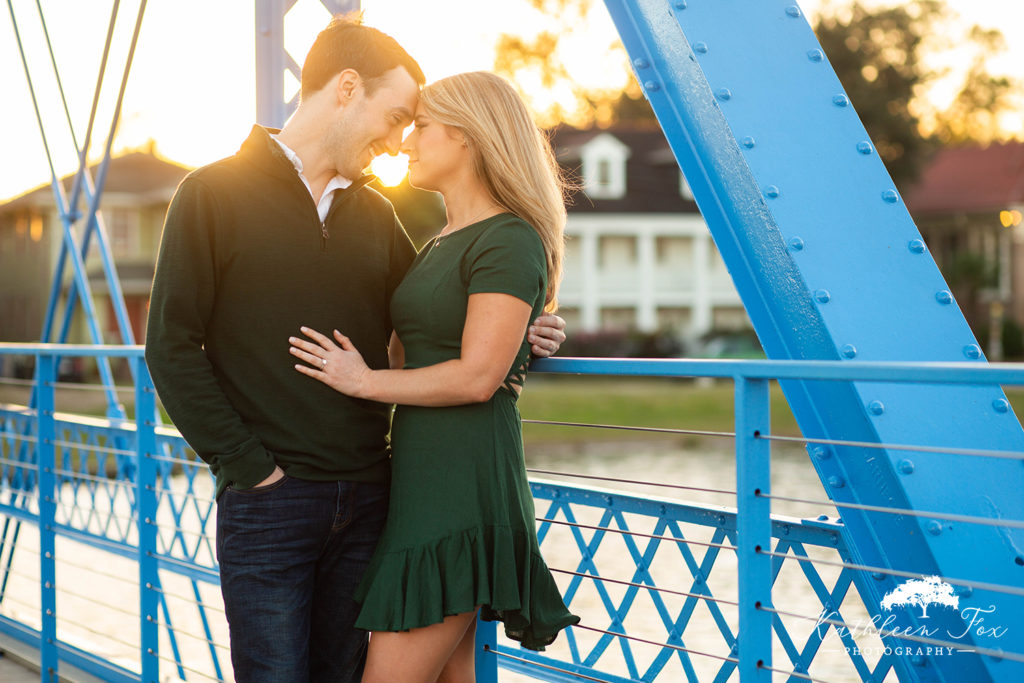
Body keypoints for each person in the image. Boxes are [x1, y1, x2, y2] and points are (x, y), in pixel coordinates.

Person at [144, 19, 566, 683]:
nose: (398, 141)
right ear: (347, 89)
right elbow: (170, 346)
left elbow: (438, 316)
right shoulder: (211, 194)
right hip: (270, 500)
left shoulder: (378, 215)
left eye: (414, 125)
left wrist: (528, 331)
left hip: (376, 499)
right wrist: (248, 465)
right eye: (397, 116)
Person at [287, 71, 579, 683]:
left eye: (420, 127)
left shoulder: (508, 238)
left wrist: (360, 381)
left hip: (462, 485)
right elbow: (417, 354)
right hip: (422, 482)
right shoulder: (443, 239)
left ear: (468, 136)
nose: (405, 143)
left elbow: (476, 377)